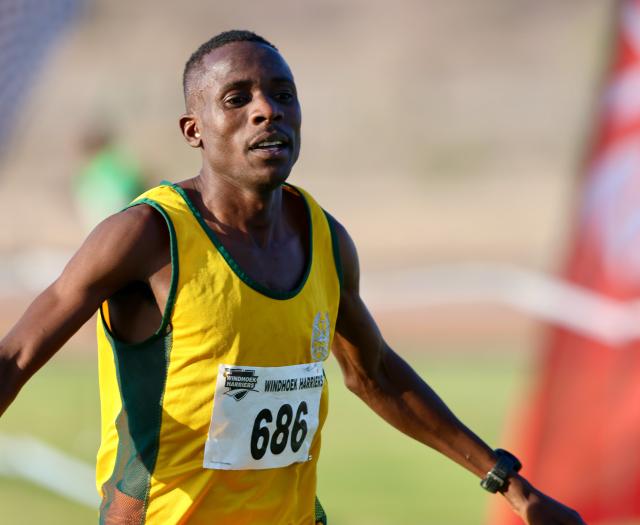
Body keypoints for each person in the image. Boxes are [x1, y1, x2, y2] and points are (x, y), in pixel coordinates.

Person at [0, 30, 585, 525]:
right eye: (238, 99)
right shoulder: (146, 236)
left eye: (283, 95)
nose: (266, 110)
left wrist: (514, 486)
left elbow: (375, 372)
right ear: (193, 129)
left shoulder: (325, 239)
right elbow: (17, 356)